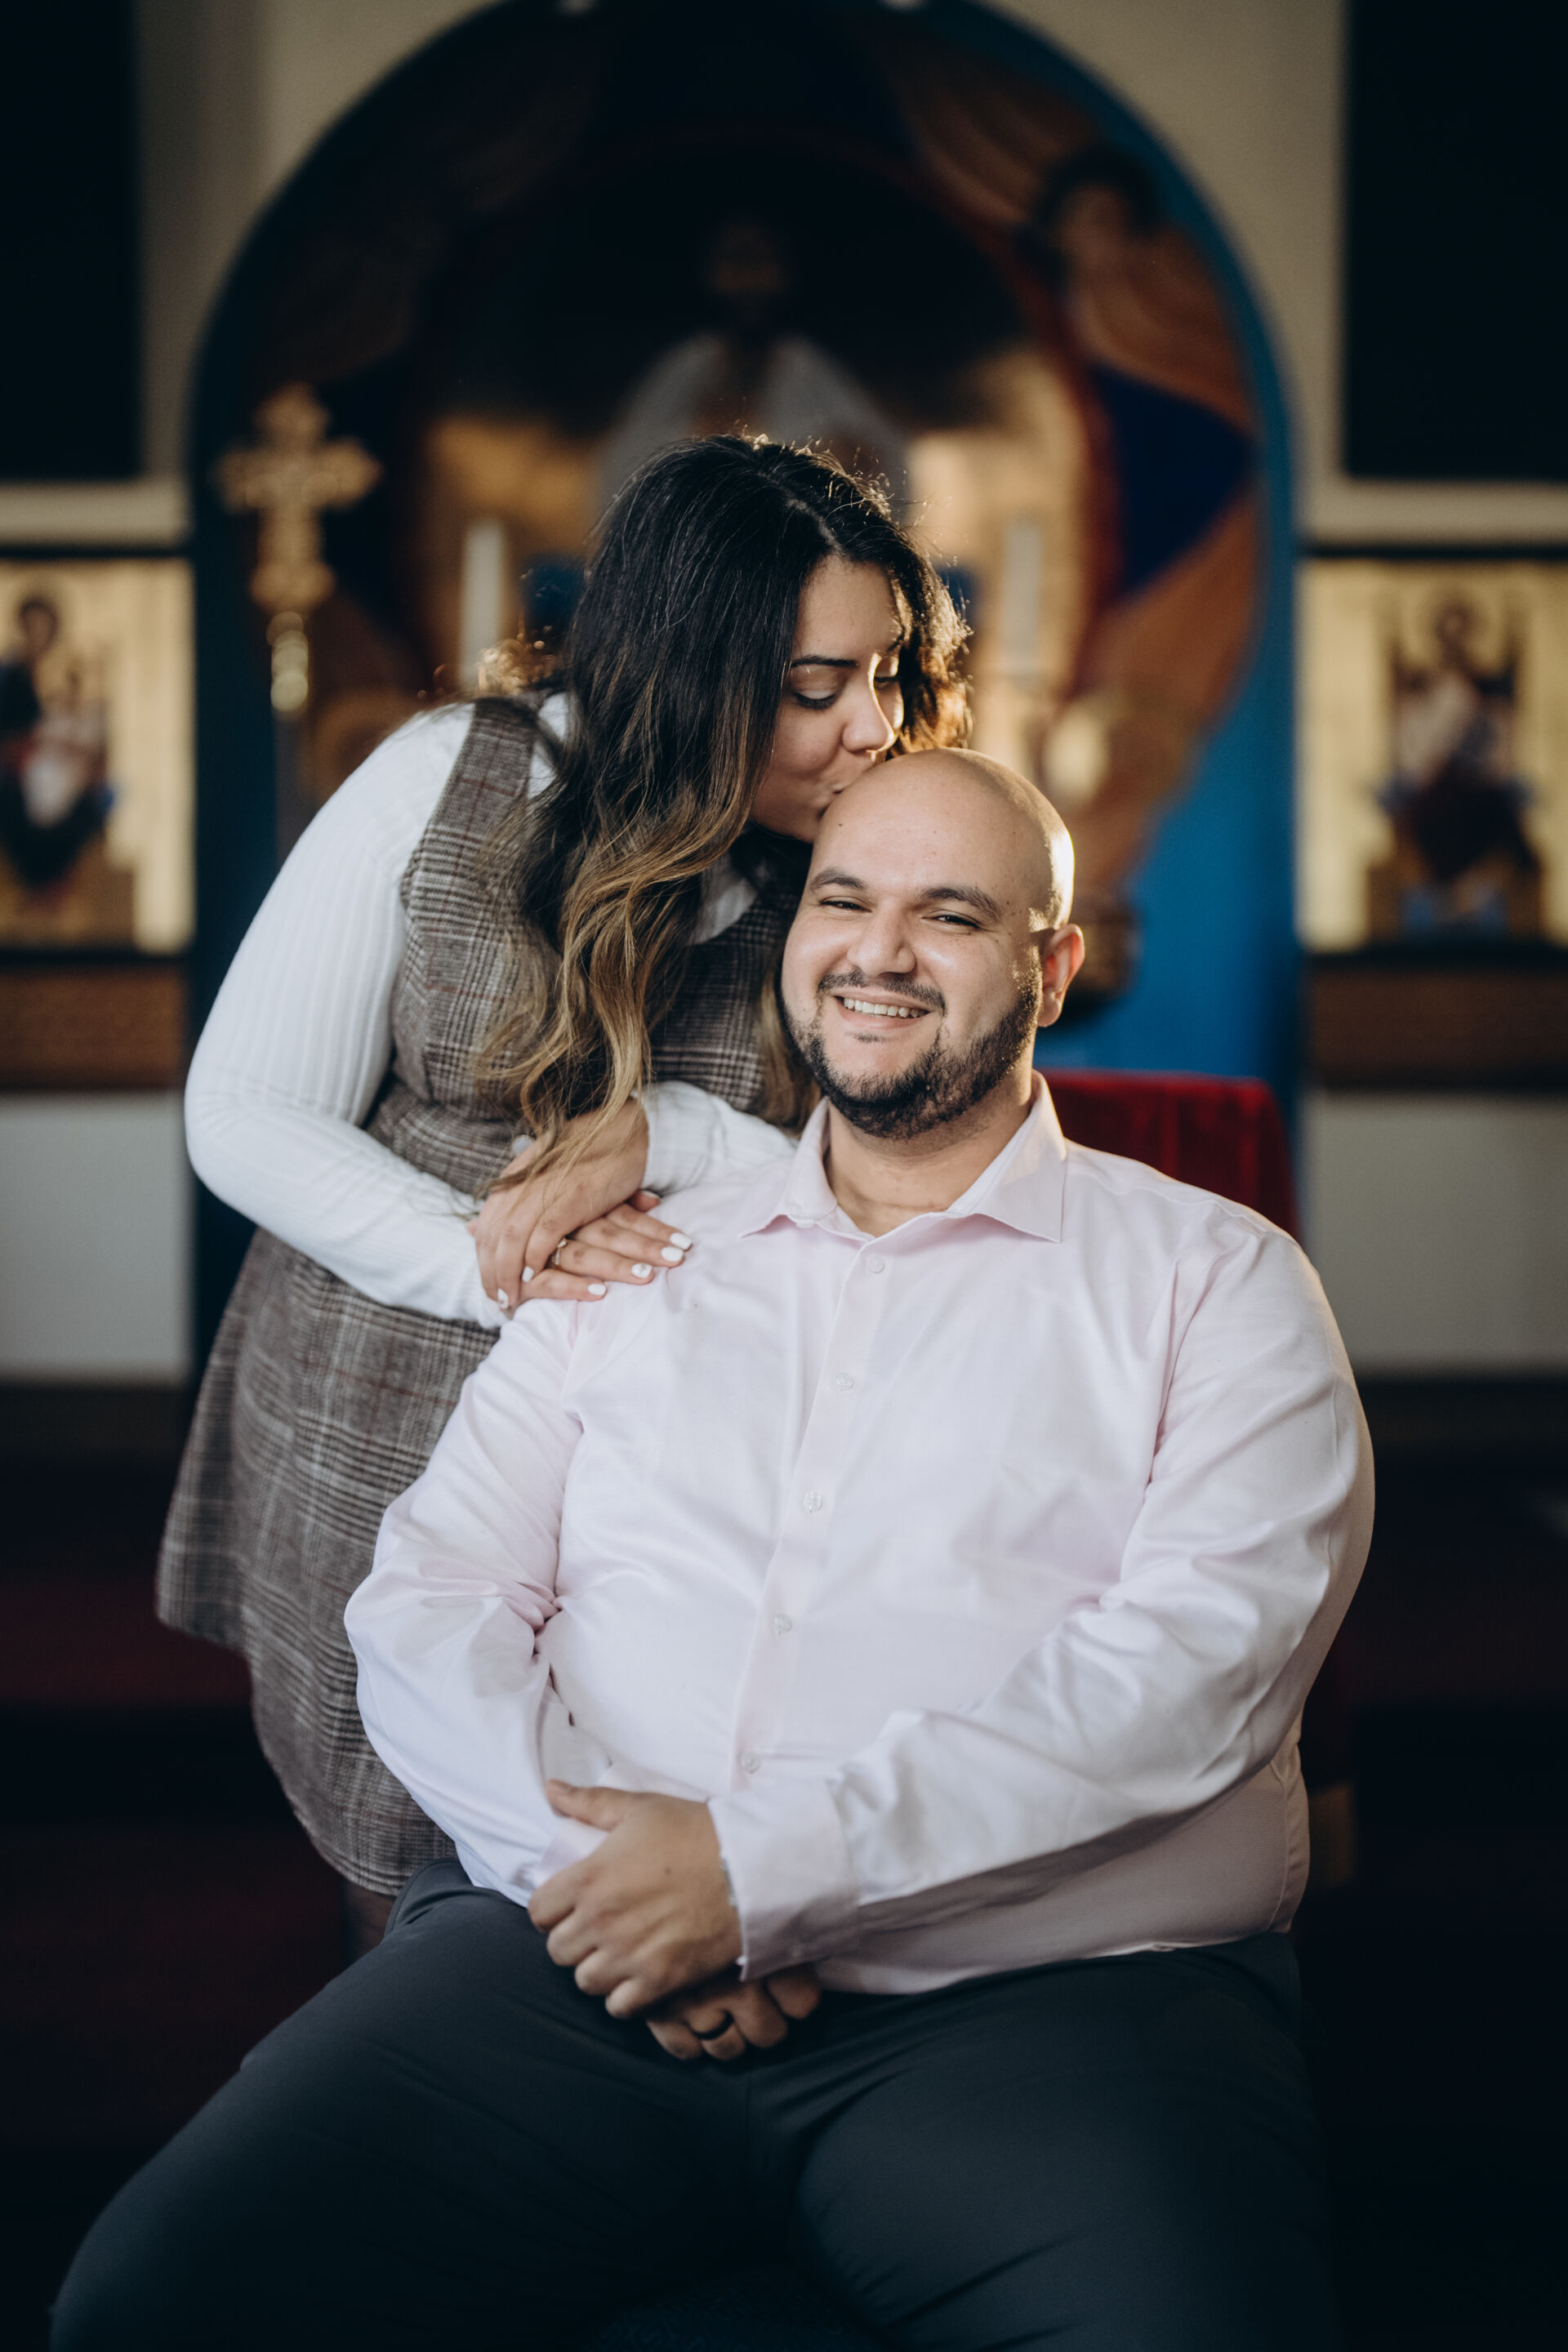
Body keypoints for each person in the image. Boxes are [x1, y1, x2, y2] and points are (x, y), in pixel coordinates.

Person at [59, 749, 1370, 2350]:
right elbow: (430, 1597)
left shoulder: (1215, 1280)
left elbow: (1191, 1678)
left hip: (1049, 2005)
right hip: (578, 1967)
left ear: (1051, 967)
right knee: (149, 2300)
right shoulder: (637, 1259)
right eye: (843, 901)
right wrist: (615, 1895)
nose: (878, 953)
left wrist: (753, 1882)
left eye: (951, 916)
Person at [157, 438, 966, 1948]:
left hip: (689, 1445)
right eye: (816, 686)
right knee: (408, 1850)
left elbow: (898, 1172)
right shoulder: (449, 781)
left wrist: (668, 1130)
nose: (874, 726)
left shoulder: (862, 854)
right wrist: (500, 1264)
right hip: (390, 1390)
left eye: (889, 675)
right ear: (687, 672)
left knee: (632, 1828)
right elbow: (245, 1112)